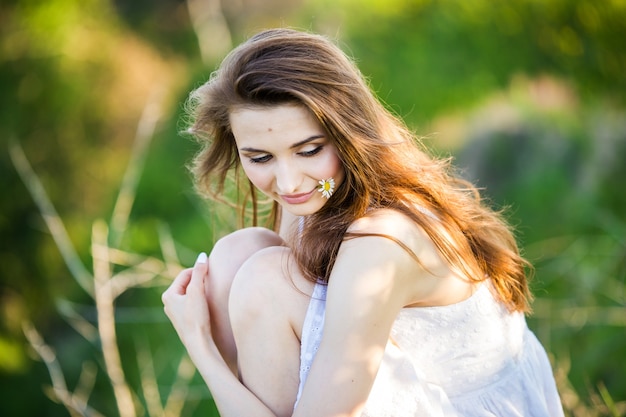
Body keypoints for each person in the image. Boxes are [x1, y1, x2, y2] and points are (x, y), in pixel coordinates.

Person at [162, 28, 564, 417]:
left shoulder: (380, 240)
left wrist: (200, 344)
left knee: (264, 282)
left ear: (348, 133)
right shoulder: (317, 192)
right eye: (260, 158)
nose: (287, 182)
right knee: (240, 252)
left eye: (309, 150)